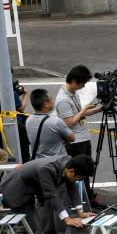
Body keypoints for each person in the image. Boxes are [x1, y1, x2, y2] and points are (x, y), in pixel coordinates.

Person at [0, 154, 95, 233]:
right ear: (71, 171)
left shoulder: (68, 163)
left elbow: (72, 186)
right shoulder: (47, 169)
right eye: (79, 178)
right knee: (31, 228)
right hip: (15, 190)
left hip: (31, 189)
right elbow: (51, 194)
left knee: (41, 226)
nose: (78, 181)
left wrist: (81, 212)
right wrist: (67, 219)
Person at [54, 65, 103, 204]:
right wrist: (83, 111)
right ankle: (82, 202)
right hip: (75, 142)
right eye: (82, 83)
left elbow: (78, 114)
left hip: (82, 139)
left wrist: (99, 109)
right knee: (80, 173)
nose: (83, 87)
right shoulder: (63, 100)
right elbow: (69, 122)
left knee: (85, 172)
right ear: (75, 81)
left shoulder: (72, 93)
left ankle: (87, 198)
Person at [26, 88, 75, 159]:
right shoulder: (56, 121)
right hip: (57, 163)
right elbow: (72, 138)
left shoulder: (28, 120)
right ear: (45, 104)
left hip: (38, 162)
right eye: (51, 100)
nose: (53, 101)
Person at [14, 78, 30, 162]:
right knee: (24, 153)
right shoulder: (10, 91)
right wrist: (26, 94)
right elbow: (21, 108)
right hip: (16, 124)